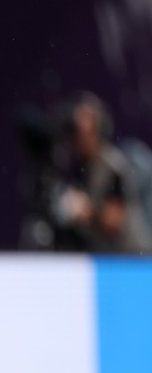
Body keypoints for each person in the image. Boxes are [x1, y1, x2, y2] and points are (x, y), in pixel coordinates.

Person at [49, 93, 151, 254]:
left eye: (88, 133)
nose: (82, 140)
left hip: (133, 258)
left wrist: (87, 210)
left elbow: (115, 220)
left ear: (100, 131)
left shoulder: (113, 166)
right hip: (105, 256)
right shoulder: (78, 166)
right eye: (78, 133)